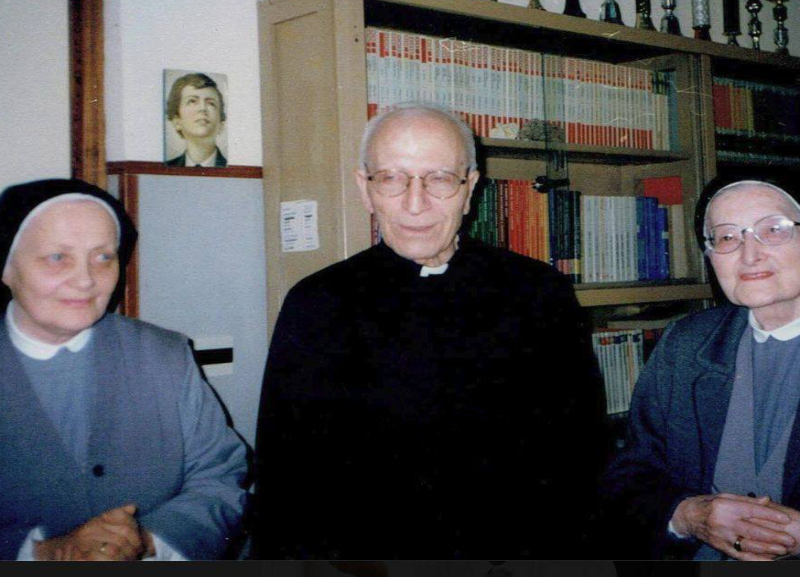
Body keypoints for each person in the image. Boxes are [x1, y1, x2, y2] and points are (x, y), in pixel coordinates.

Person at [253, 103, 607, 559]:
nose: (415, 203)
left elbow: (580, 461)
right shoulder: (316, 303)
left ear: (470, 189)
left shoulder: (540, 293)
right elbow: (284, 484)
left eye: (439, 179)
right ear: (366, 190)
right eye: (391, 178)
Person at [0, 178, 247, 560]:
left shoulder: (165, 355)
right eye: (57, 257)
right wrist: (40, 553)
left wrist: (148, 541)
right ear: (6, 267)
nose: (86, 279)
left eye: (103, 257)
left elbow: (220, 477)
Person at [600, 175, 800, 560]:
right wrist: (688, 516)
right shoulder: (686, 344)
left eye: (773, 229)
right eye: (727, 237)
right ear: (710, 257)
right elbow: (629, 478)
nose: (750, 254)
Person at [165, 73, 228, 167]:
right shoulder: (168, 167)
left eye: (211, 103)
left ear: (221, 124)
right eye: (192, 101)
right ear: (177, 121)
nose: (203, 108)